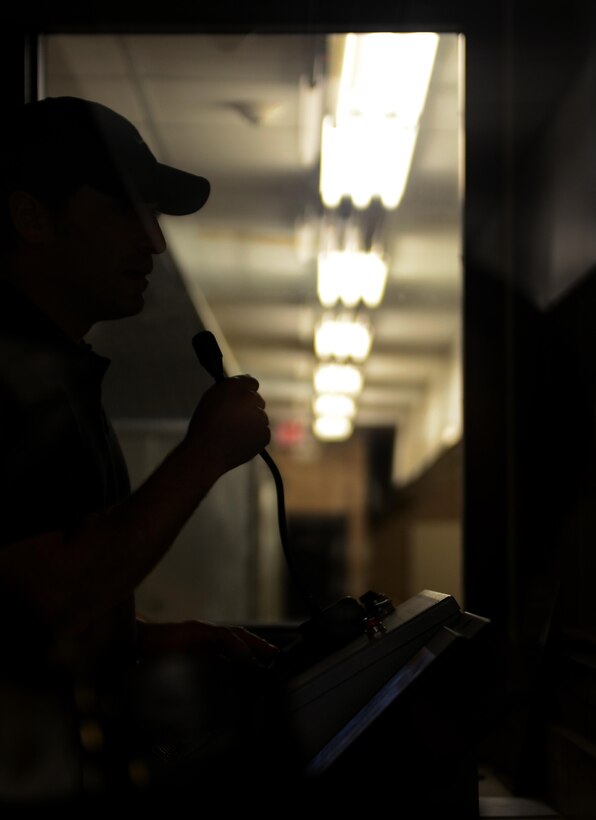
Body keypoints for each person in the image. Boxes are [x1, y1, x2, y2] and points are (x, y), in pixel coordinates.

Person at [0, 96, 286, 803]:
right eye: (128, 211)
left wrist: (143, 640)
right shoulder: (8, 379)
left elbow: (23, 607)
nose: (155, 242)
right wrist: (205, 453)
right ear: (32, 218)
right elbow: (53, 592)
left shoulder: (56, 372)